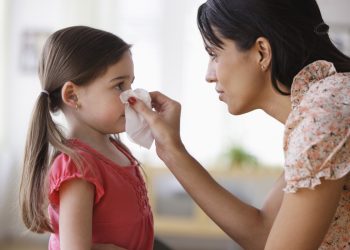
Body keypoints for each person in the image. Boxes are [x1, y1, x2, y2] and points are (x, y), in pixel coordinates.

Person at [128, 0, 350, 249]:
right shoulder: (328, 101)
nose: (208, 75)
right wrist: (171, 150)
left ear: (261, 52)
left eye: (214, 55)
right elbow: (264, 232)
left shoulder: (322, 115)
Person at [19, 26, 154, 250]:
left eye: (131, 84)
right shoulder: (77, 167)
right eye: (119, 85)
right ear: (72, 95)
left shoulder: (118, 149)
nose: (131, 97)